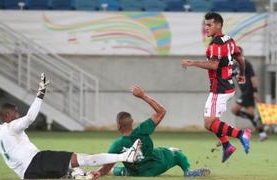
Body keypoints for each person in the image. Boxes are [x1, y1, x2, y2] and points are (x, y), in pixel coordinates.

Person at [0, 73, 142, 179]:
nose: (17, 115)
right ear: (7, 116)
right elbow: (30, 117)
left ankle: (76, 175)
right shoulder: (12, 127)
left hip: (28, 175)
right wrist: (40, 94)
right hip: (37, 161)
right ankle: (124, 157)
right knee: (84, 158)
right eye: (15, 113)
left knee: (69, 171)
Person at [91, 85, 210, 179]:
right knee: (176, 152)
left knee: (115, 170)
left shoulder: (116, 145)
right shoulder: (142, 130)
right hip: (156, 166)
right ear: (132, 122)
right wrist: (142, 96)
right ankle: (188, 172)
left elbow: (105, 170)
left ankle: (102, 172)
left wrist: (98, 173)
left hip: (136, 174)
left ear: (118, 126)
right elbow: (161, 111)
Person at [181, 12, 252, 163]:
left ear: (218, 25)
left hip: (219, 88)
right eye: (205, 25)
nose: (205, 28)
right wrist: (242, 74)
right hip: (227, 86)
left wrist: (192, 63)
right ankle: (227, 146)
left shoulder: (215, 45)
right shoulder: (229, 40)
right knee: (212, 123)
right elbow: (240, 58)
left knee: (209, 122)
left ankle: (241, 134)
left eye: (209, 25)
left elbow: (213, 65)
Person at [231, 46, 268, 141]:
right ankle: (262, 133)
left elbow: (253, 78)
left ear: (242, 54)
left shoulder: (246, 64)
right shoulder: (233, 65)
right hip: (244, 92)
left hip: (248, 91)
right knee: (251, 114)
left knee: (235, 110)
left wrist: (255, 92)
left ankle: (255, 117)